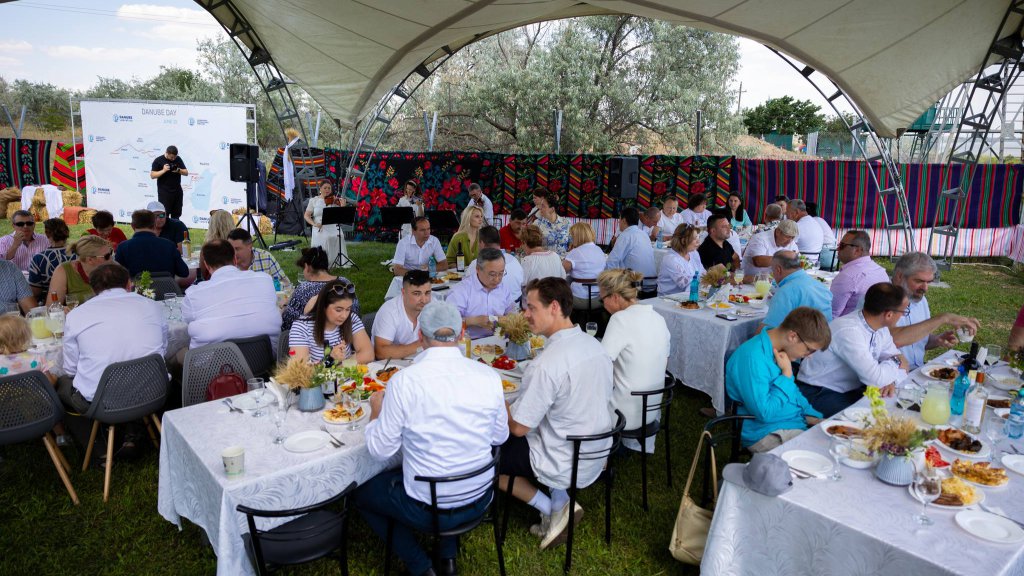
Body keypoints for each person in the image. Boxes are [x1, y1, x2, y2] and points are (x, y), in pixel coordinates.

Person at [357, 300, 507, 576]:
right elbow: (500, 436)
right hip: (480, 496)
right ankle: (446, 557)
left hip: (428, 507)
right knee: (449, 463)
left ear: (419, 337)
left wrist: (376, 414)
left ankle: (421, 566)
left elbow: (380, 450)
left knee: (360, 491)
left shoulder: (405, 381)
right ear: (462, 334)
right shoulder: (489, 376)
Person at [500, 278, 613, 548]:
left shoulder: (547, 364)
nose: (525, 314)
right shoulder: (594, 345)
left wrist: (499, 400)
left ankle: (550, 506)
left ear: (553, 307)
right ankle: (562, 501)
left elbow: (518, 428)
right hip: (597, 449)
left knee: (485, 458)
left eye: (531, 307)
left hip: (563, 458)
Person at [58, 263, 168, 414]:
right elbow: (163, 348)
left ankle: (66, 436)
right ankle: (133, 426)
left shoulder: (75, 316)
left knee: (61, 383)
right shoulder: (153, 306)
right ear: (129, 284)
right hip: (154, 393)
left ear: (93, 289)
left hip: (101, 404)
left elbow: (71, 369)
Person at [796, 283, 910, 417]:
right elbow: (877, 379)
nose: (903, 316)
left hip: (851, 389)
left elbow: (902, 361)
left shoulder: (880, 327)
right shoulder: (849, 331)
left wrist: (891, 380)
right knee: (871, 420)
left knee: (895, 409)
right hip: (818, 392)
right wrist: (894, 364)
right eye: (904, 312)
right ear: (889, 315)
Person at [725, 307, 829, 452]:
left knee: (839, 448)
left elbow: (793, 393)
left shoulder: (779, 349)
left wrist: (815, 418)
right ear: (792, 336)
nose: (809, 355)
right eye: (809, 349)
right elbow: (765, 413)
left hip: (792, 423)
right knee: (825, 458)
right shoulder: (752, 358)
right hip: (767, 431)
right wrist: (786, 375)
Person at [598, 268, 670, 453]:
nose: (602, 305)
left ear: (615, 297)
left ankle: (597, 454)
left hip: (624, 412)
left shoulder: (620, 320)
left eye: (602, 299)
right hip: (651, 408)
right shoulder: (658, 318)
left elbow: (601, 365)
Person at [180, 240, 280, 353]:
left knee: (177, 353)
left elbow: (186, 320)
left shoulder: (194, 294)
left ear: (207, 265)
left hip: (212, 367)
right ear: (235, 259)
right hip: (264, 360)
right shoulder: (265, 279)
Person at [888, 252, 980, 370]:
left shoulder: (920, 300)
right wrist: (943, 318)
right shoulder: (879, 298)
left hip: (917, 371)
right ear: (899, 276)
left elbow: (915, 340)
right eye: (919, 281)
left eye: (928, 282)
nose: (925, 288)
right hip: (889, 379)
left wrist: (935, 340)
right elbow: (894, 340)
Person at [0, 315, 68, 444]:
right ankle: (60, 436)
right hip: (39, 410)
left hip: (5, 413)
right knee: (49, 398)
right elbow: (50, 384)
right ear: (25, 337)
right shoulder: (36, 359)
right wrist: (55, 377)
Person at [289, 280, 373, 364]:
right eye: (338, 310)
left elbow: (368, 354)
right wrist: (331, 360)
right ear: (323, 307)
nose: (344, 315)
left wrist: (342, 366)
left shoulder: (351, 318)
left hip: (346, 375)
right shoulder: (301, 327)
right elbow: (301, 370)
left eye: (348, 309)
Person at [446, 248, 517, 339]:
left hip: (498, 342)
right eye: (492, 274)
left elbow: (512, 310)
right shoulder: (461, 291)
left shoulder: (503, 288)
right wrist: (473, 321)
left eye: (501, 273)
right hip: (469, 343)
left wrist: (508, 319)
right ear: (478, 269)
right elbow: (447, 323)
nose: (497, 279)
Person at [281, 247, 357, 331]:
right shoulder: (345, 282)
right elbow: (356, 311)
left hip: (315, 339)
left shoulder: (304, 289)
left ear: (307, 267)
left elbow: (289, 323)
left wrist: (284, 306)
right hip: (349, 332)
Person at [761, 251, 833, 329]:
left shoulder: (785, 292)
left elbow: (768, 330)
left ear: (778, 270)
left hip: (804, 338)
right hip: (825, 335)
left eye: (773, 270)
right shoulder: (820, 286)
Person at [372, 270, 432, 359]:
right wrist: (423, 343)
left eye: (427, 293)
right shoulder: (389, 311)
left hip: (422, 361)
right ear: (403, 292)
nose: (424, 300)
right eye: (417, 294)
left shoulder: (433, 306)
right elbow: (381, 352)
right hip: (391, 366)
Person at [829, 230, 889, 318]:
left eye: (842, 246)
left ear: (857, 250)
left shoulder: (847, 276)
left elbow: (831, 314)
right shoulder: (881, 271)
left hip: (846, 328)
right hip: (874, 327)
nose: (838, 249)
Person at [114, 210, 189, 279]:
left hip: (135, 292)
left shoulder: (123, 247)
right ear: (154, 225)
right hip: (166, 291)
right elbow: (184, 272)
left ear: (132, 226)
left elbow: (116, 276)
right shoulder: (169, 245)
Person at [468, 225, 524, 304]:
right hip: (516, 306)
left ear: (481, 243)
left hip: (491, 309)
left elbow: (468, 290)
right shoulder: (514, 260)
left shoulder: (476, 263)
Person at [48, 236, 111, 305]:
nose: (111, 258)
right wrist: (63, 309)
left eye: (111, 252)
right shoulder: (63, 272)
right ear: (90, 259)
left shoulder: (111, 269)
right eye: (107, 256)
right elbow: (51, 307)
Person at [605, 207, 656, 287]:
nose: (619, 223)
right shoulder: (644, 234)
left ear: (624, 220)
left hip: (636, 285)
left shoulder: (625, 235)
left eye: (619, 220)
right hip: (651, 283)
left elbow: (612, 261)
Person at [305, 180, 350, 269]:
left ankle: (339, 260)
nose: (327, 190)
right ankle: (325, 262)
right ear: (320, 189)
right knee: (327, 237)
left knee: (340, 234)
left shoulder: (334, 200)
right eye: (325, 188)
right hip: (319, 225)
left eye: (329, 188)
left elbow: (341, 215)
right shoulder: (314, 200)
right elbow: (306, 215)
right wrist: (314, 224)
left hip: (332, 225)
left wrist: (343, 206)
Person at [562, 223, 606, 310]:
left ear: (577, 236)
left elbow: (561, 271)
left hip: (581, 298)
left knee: (559, 294)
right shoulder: (599, 249)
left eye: (572, 236)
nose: (571, 238)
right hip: (599, 297)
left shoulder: (575, 252)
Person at [28, 218, 74, 300]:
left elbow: (35, 291)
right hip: (78, 300)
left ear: (47, 234)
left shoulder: (39, 258)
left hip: (53, 301)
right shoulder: (79, 253)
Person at [657, 225, 705, 296]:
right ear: (683, 241)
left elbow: (703, 273)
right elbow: (684, 283)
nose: (698, 241)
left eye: (698, 237)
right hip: (668, 300)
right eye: (695, 238)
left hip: (690, 296)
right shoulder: (671, 259)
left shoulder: (694, 253)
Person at [149, 145, 188, 219]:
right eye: (171, 157)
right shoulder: (158, 160)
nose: (173, 159)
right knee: (164, 214)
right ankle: (165, 229)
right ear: (166, 153)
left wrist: (178, 170)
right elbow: (152, 175)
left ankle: (175, 229)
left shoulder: (178, 159)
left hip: (177, 191)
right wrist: (163, 170)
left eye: (174, 157)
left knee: (177, 214)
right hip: (164, 192)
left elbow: (186, 173)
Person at [530, 188, 570, 256]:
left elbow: (572, 243)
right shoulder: (537, 224)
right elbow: (532, 245)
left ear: (552, 209)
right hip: (545, 261)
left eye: (543, 206)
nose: (540, 208)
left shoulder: (566, 222)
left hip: (564, 261)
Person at [786, 199, 823, 264]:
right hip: (814, 263)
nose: (786, 216)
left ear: (796, 212)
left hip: (800, 264)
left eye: (787, 213)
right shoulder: (815, 223)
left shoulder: (797, 226)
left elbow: (784, 245)